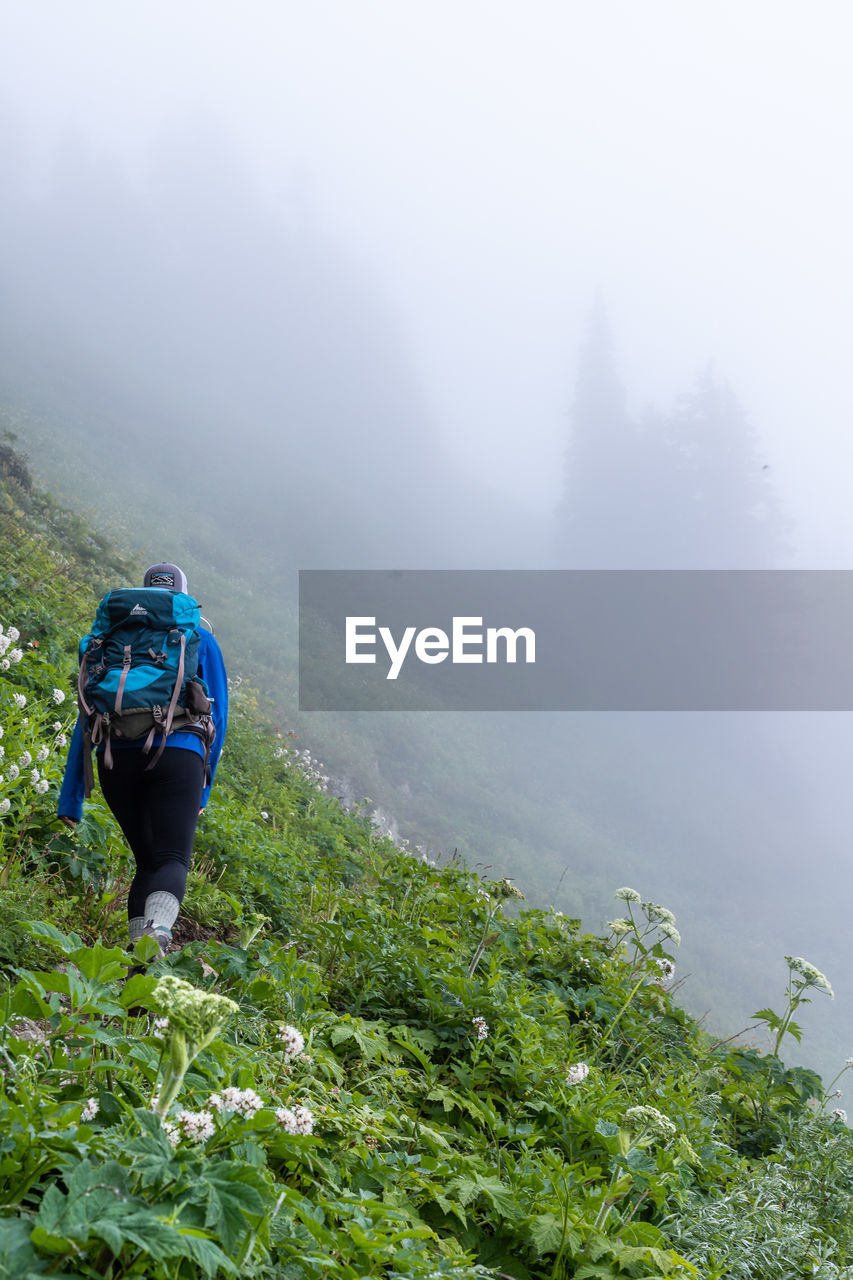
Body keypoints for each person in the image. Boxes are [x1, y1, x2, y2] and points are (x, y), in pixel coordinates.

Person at [58, 563, 228, 957]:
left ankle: (138, 972)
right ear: (182, 596)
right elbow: (217, 718)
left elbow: (87, 714)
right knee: (172, 859)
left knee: (147, 864)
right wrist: (203, 787)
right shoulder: (196, 634)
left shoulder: (110, 639)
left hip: (116, 759)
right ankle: (157, 934)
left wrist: (72, 796)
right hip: (178, 754)